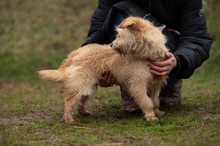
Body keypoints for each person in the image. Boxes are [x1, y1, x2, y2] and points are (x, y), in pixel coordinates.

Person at [82, 0, 213, 112]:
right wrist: (95, 66)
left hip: (169, 46)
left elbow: (197, 38)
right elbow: (98, 31)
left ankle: (168, 84)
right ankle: (130, 84)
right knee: (121, 11)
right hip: (124, 55)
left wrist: (177, 61)